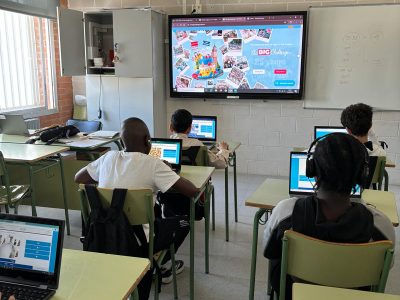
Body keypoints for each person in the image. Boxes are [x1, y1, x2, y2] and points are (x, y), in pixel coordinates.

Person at [75, 117, 199, 299]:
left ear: (121, 140)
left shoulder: (107, 158)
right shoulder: (154, 164)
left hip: (104, 234)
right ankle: (161, 266)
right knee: (183, 223)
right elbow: (192, 191)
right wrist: (169, 171)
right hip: (140, 242)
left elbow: (78, 178)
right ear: (147, 140)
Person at [263, 133, 395, 300]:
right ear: (362, 175)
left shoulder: (286, 212)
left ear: (312, 170)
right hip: (353, 295)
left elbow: (267, 250)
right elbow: (386, 266)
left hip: (295, 293)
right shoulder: (380, 225)